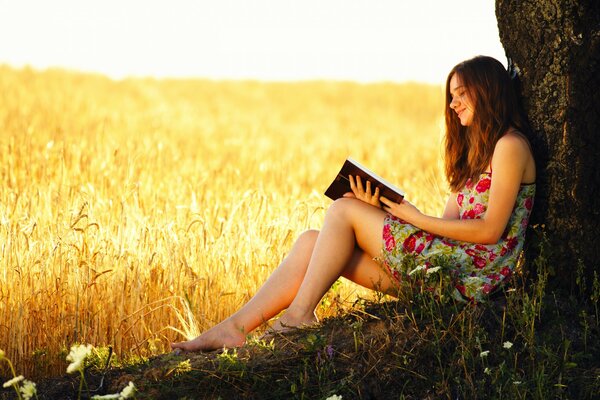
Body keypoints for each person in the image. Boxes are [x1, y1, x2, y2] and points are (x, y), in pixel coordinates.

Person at [171, 55, 536, 352]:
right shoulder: (475, 158)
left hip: (471, 283)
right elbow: (445, 236)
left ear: (486, 91)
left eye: (460, 94)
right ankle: (234, 328)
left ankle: (299, 315)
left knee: (343, 211)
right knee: (313, 242)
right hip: (444, 271)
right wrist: (384, 211)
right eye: (451, 96)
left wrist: (414, 217)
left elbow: (489, 232)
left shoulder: (510, 146)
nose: (453, 104)